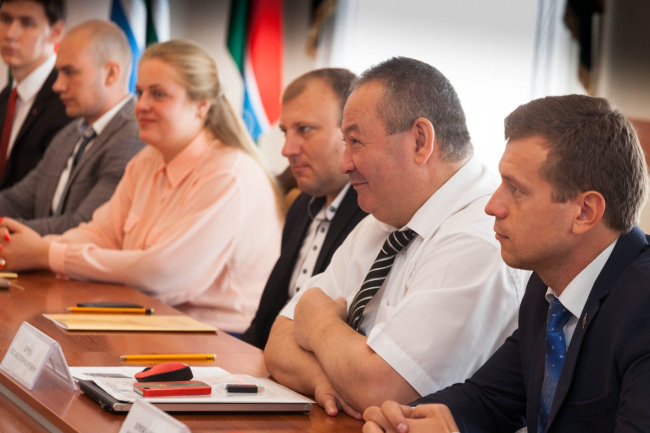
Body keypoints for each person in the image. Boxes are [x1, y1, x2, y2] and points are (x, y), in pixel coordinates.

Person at [362, 95, 650, 433]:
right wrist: (402, 423)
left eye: (516, 189)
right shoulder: (546, 285)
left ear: (585, 212)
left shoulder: (643, 305)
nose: (492, 206)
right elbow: (489, 399)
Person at [264, 57, 527, 419]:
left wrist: (318, 321)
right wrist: (326, 380)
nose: (344, 163)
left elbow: (382, 390)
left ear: (420, 141)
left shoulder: (480, 238)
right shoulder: (385, 218)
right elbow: (278, 340)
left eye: (356, 142)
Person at [0, 39, 283, 333]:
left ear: (202, 106)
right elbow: (101, 233)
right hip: (147, 319)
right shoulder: (147, 160)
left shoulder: (229, 174)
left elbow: (161, 273)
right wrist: (29, 248)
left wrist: (46, 254)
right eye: (139, 92)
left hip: (218, 340)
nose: (141, 105)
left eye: (158, 94)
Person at [240, 68, 368, 349]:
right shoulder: (302, 204)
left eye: (304, 130)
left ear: (350, 132)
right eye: (285, 132)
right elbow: (263, 324)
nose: (287, 149)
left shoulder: (372, 215)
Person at [0, 20, 144, 235]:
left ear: (111, 74)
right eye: (58, 72)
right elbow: (16, 201)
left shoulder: (135, 138)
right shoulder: (69, 134)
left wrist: (5, 230)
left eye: (70, 72)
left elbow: (84, 228)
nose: (57, 85)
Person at [0, 0, 72, 189]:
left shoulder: (68, 101)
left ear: (56, 32)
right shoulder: (5, 98)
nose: (10, 34)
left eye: (27, 23)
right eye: (5, 19)